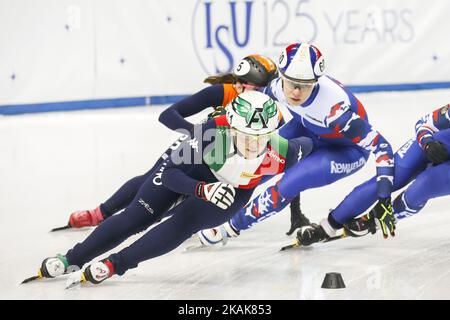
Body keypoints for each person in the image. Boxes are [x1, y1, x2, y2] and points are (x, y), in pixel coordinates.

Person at [29, 91, 313, 285]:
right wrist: (202, 189)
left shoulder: (283, 152)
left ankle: (116, 264)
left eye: (262, 137)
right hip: (191, 173)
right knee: (136, 218)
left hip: (234, 190)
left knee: (182, 225)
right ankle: (73, 258)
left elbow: (314, 142)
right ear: (231, 128)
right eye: (246, 136)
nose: (253, 144)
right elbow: (169, 175)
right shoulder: (211, 134)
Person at [196, 42, 395, 247]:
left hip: (347, 150)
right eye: (291, 83)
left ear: (316, 82)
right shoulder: (279, 88)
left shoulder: (335, 111)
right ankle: (210, 207)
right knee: (256, 162)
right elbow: (254, 98)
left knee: (289, 183)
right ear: (281, 77)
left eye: (306, 85)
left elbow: (383, 147)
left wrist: (384, 198)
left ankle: (228, 228)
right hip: (308, 128)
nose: (296, 92)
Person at [63, 54, 289, 229]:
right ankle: (100, 213)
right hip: (199, 146)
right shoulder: (224, 92)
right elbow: (168, 115)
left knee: (186, 198)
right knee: (154, 179)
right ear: (239, 85)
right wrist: (198, 134)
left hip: (229, 162)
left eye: (268, 89)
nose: (264, 95)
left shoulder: (271, 113)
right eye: (258, 89)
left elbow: (285, 158)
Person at [296, 104, 450, 245]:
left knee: (423, 186)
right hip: (441, 143)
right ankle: (329, 225)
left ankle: (374, 220)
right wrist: (428, 142)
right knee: (385, 180)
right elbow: (423, 123)